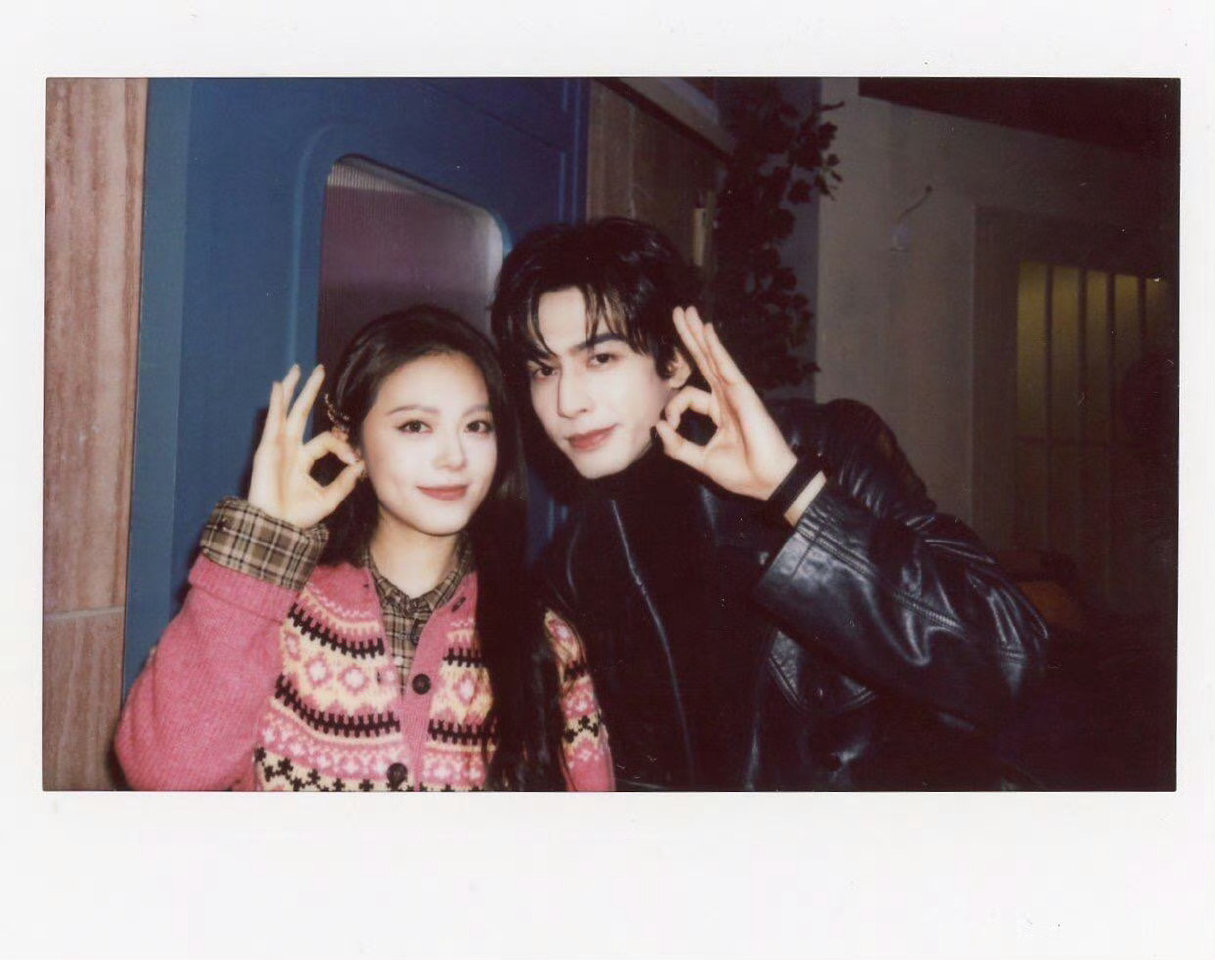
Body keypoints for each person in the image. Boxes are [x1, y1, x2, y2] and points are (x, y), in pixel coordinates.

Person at [491, 217, 1048, 790]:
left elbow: (1008, 663)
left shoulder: (822, 449)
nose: (567, 401)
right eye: (544, 369)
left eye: (600, 359)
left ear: (676, 359)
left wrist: (791, 490)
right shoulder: (577, 564)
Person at [115, 306, 613, 791]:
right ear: (352, 443)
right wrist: (263, 545)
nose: (454, 457)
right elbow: (166, 777)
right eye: (415, 426)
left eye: (476, 426)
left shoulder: (548, 639)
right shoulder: (274, 614)